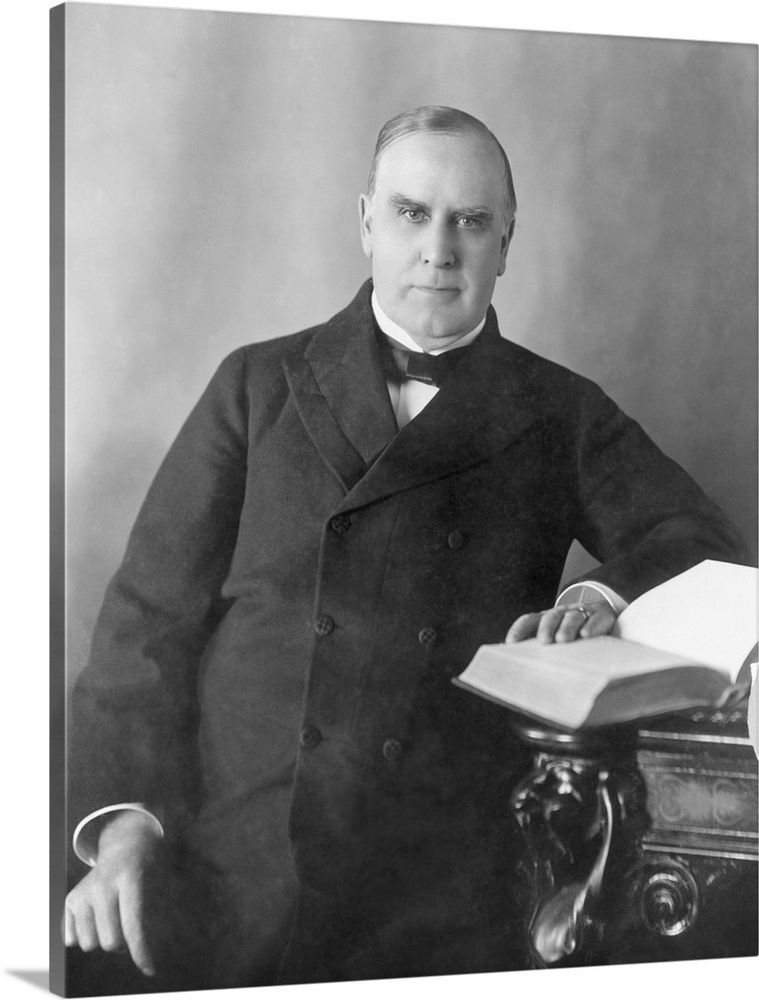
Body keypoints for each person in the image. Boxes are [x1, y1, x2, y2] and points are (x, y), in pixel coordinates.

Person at [64, 106, 748, 991]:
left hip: (441, 895)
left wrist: (602, 596)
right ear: (365, 225)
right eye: (411, 213)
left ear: (507, 241)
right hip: (229, 870)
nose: (439, 248)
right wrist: (124, 828)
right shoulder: (255, 384)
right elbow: (144, 626)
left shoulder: (559, 411)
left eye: (470, 220)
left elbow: (697, 541)